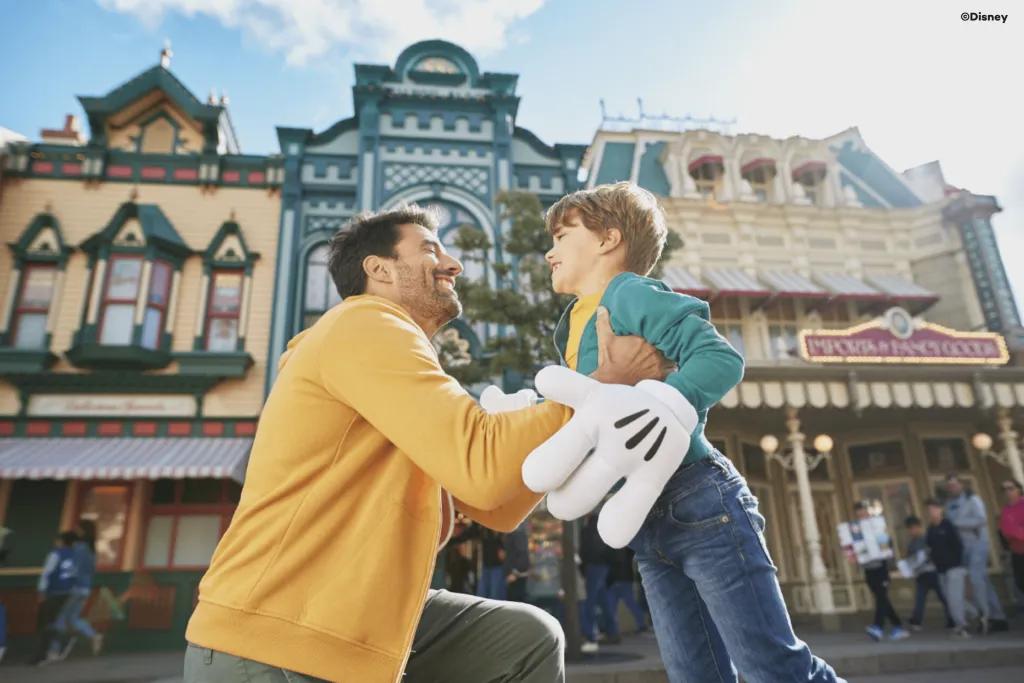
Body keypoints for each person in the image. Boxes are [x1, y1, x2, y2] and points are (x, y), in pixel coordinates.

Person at [184, 206, 673, 683]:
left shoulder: (392, 358)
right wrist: (602, 383)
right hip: (272, 637)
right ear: (379, 269)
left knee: (525, 640)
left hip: (353, 623)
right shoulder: (365, 324)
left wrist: (569, 414)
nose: (453, 264)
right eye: (430, 250)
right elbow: (481, 462)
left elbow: (493, 501)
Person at [543, 182, 841, 682]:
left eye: (562, 234)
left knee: (775, 670)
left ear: (607, 239)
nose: (550, 251)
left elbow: (718, 358)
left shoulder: (629, 293)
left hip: (699, 497)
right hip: (645, 521)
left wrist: (664, 404)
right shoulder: (570, 321)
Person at [945, 473, 1008, 633]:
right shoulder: (949, 504)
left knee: (976, 578)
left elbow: (981, 520)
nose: (952, 487)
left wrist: (957, 524)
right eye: (949, 485)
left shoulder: (973, 500)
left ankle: (986, 616)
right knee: (979, 582)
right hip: (962, 548)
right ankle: (996, 616)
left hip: (977, 544)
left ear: (962, 485)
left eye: (955, 484)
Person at [849, 502, 908, 642]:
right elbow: (854, 547)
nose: (861, 515)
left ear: (868, 512)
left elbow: (887, 545)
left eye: (863, 512)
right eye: (858, 513)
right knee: (881, 598)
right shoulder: (856, 530)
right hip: (868, 568)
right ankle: (898, 626)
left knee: (881, 597)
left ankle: (878, 627)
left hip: (880, 567)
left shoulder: (877, 526)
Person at [50, 519, 103, 659]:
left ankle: (55, 651)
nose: (75, 531)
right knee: (73, 618)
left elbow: (73, 569)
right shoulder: (92, 550)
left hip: (73, 587)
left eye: (77, 528)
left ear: (82, 531)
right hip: (85, 588)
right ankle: (93, 635)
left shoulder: (79, 547)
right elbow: (92, 570)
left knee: (59, 618)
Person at [925, 499, 971, 638]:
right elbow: (929, 548)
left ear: (941, 510)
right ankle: (975, 613)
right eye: (929, 509)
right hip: (940, 570)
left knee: (954, 598)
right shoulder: (930, 529)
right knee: (950, 598)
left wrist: (958, 564)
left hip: (954, 568)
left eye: (934, 508)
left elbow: (958, 546)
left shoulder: (948, 526)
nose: (932, 512)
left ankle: (961, 626)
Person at [30, 531, 77, 665]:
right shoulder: (75, 556)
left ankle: (41, 654)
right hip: (67, 592)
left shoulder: (55, 554)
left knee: (45, 623)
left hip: (53, 592)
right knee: (54, 621)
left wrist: (41, 591)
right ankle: (54, 646)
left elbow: (47, 573)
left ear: (62, 541)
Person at [903, 515, 953, 631]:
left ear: (920, 527)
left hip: (932, 571)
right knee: (920, 598)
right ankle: (916, 620)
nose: (913, 531)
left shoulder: (927, 539)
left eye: (914, 528)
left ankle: (952, 619)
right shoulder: (912, 544)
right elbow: (909, 559)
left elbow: (934, 552)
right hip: (922, 574)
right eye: (910, 529)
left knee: (943, 597)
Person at [579, 513, 615, 652]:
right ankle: (612, 631)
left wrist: (583, 566)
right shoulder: (601, 524)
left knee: (589, 601)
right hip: (603, 565)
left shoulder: (588, 528)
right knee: (603, 599)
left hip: (593, 566)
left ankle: (590, 635)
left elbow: (586, 549)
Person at [605, 546, 648, 638]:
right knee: (630, 603)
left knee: (611, 606)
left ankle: (613, 630)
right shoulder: (628, 547)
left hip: (617, 579)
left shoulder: (616, 546)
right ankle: (641, 623)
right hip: (625, 578)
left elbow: (617, 561)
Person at [998, 479, 1024, 595]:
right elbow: (1004, 531)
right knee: (1020, 583)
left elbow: (1010, 530)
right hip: (1016, 552)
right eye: (1004, 489)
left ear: (1019, 489)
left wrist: (1014, 530)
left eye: (1010, 488)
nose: (1007, 492)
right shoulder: (1005, 510)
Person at [504, 521, 531, 603]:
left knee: (517, 602)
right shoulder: (515, 533)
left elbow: (522, 555)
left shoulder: (518, 533)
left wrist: (514, 573)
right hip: (515, 575)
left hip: (517, 576)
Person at [477, 528, 507, 600]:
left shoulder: (502, 533)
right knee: (482, 594)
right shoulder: (485, 531)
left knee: (495, 595)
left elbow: (504, 552)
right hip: (487, 566)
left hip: (497, 567)